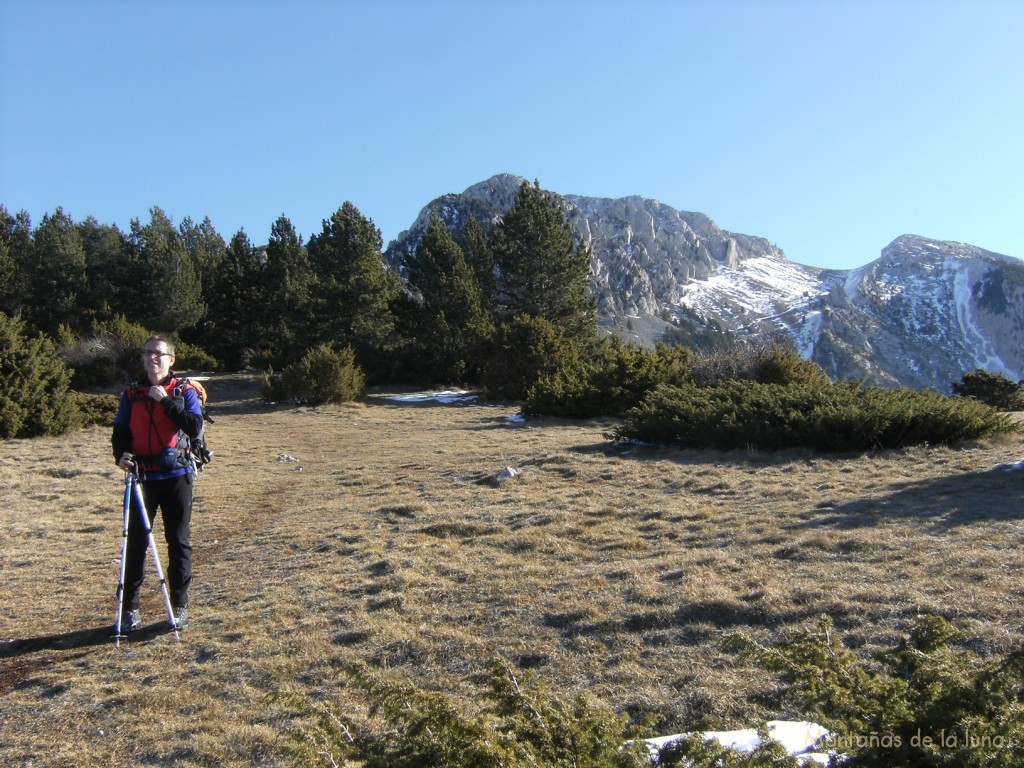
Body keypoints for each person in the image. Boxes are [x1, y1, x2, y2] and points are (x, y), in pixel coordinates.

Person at [111, 336, 204, 632]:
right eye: (147, 353)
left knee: (178, 542)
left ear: (171, 359)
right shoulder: (131, 393)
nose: (152, 358)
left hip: (176, 475)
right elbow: (121, 431)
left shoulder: (184, 390)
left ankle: (179, 606)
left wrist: (163, 399)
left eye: (158, 353)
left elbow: (194, 426)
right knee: (135, 543)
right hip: (141, 478)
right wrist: (120, 455)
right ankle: (130, 609)